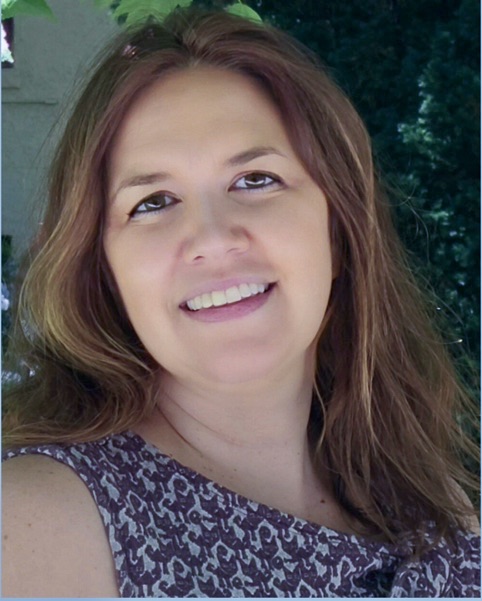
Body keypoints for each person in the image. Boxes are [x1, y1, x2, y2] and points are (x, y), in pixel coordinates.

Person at [2, 7, 480, 598]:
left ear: (337, 226)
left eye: (255, 180)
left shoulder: (433, 503)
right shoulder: (42, 524)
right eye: (153, 202)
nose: (212, 238)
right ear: (103, 268)